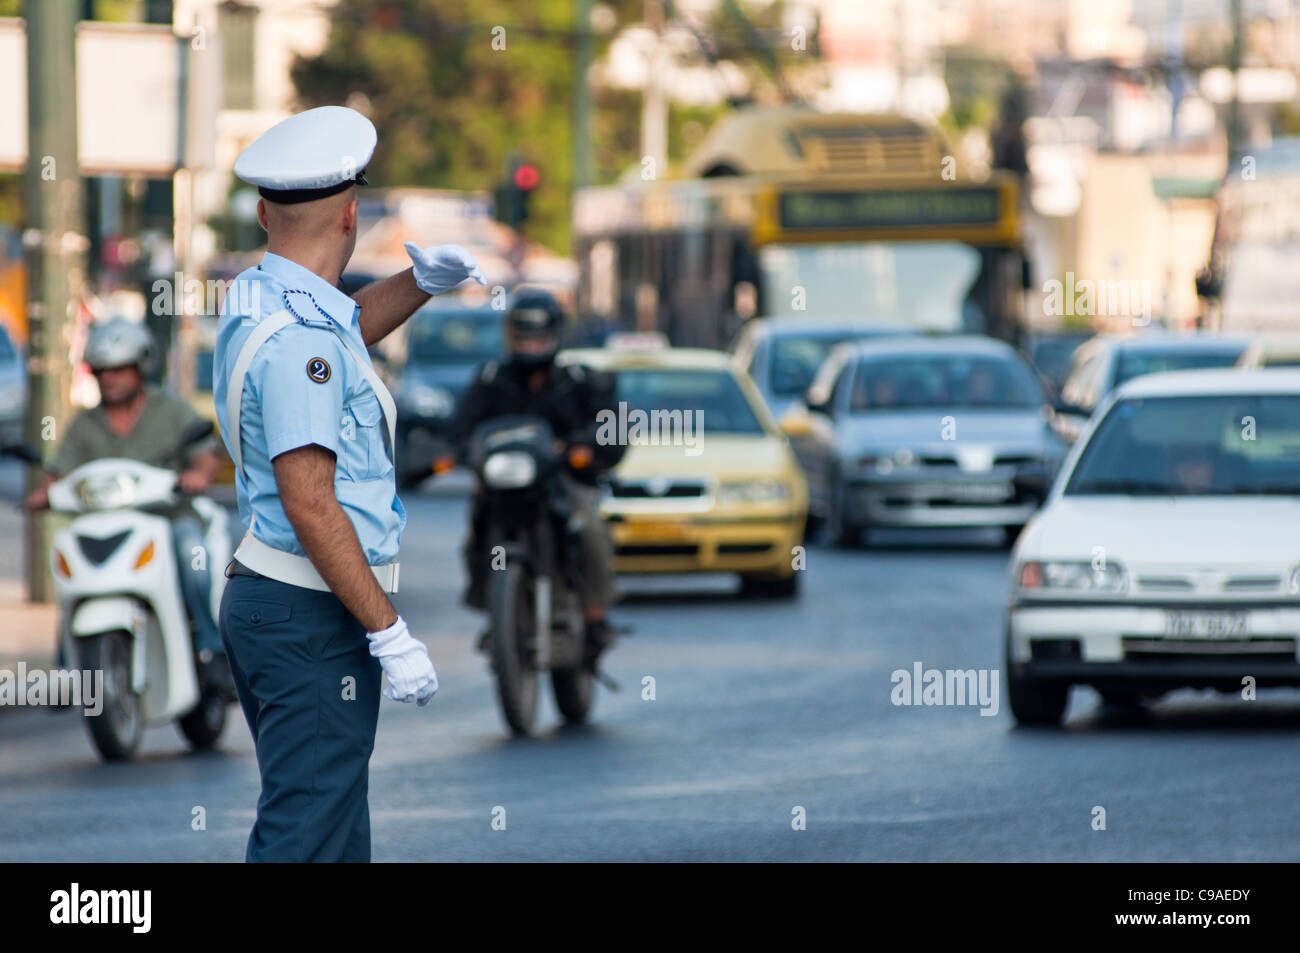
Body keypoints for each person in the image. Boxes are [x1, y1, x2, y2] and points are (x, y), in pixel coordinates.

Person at [213, 105, 485, 862]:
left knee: (331, 830)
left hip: (275, 601)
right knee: (305, 835)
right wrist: (387, 629)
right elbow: (309, 500)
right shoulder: (303, 345)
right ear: (352, 216)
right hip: (310, 614)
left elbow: (341, 324)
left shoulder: (261, 298)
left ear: (266, 212)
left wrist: (421, 282)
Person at [24, 317, 231, 694]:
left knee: (192, 552)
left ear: (140, 367)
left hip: (167, 520)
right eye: (101, 371)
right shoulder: (84, 425)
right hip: (106, 525)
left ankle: (209, 649)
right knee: (67, 556)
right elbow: (59, 473)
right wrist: (44, 494)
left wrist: (197, 476)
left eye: (119, 369)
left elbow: (204, 455)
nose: (110, 378)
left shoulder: (170, 409)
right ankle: (66, 661)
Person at [447, 288, 621, 668]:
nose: (530, 345)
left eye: (538, 337)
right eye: (524, 336)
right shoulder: (492, 379)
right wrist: (453, 451)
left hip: (563, 482)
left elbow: (611, 427)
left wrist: (586, 446)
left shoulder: (577, 380)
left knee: (590, 527)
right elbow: (461, 428)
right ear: (511, 336)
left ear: (556, 335)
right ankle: (496, 610)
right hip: (504, 486)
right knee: (477, 525)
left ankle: (595, 618)